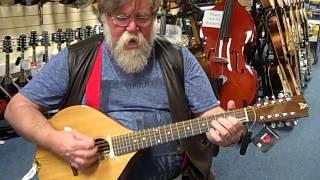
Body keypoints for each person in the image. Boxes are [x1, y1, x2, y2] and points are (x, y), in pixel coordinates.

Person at [4, 0, 244, 179]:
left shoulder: (179, 59)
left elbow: (209, 113)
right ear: (104, 18)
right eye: (121, 18)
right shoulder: (76, 58)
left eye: (142, 18)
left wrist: (222, 129)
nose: (133, 28)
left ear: (154, 17)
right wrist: (57, 141)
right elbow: (17, 108)